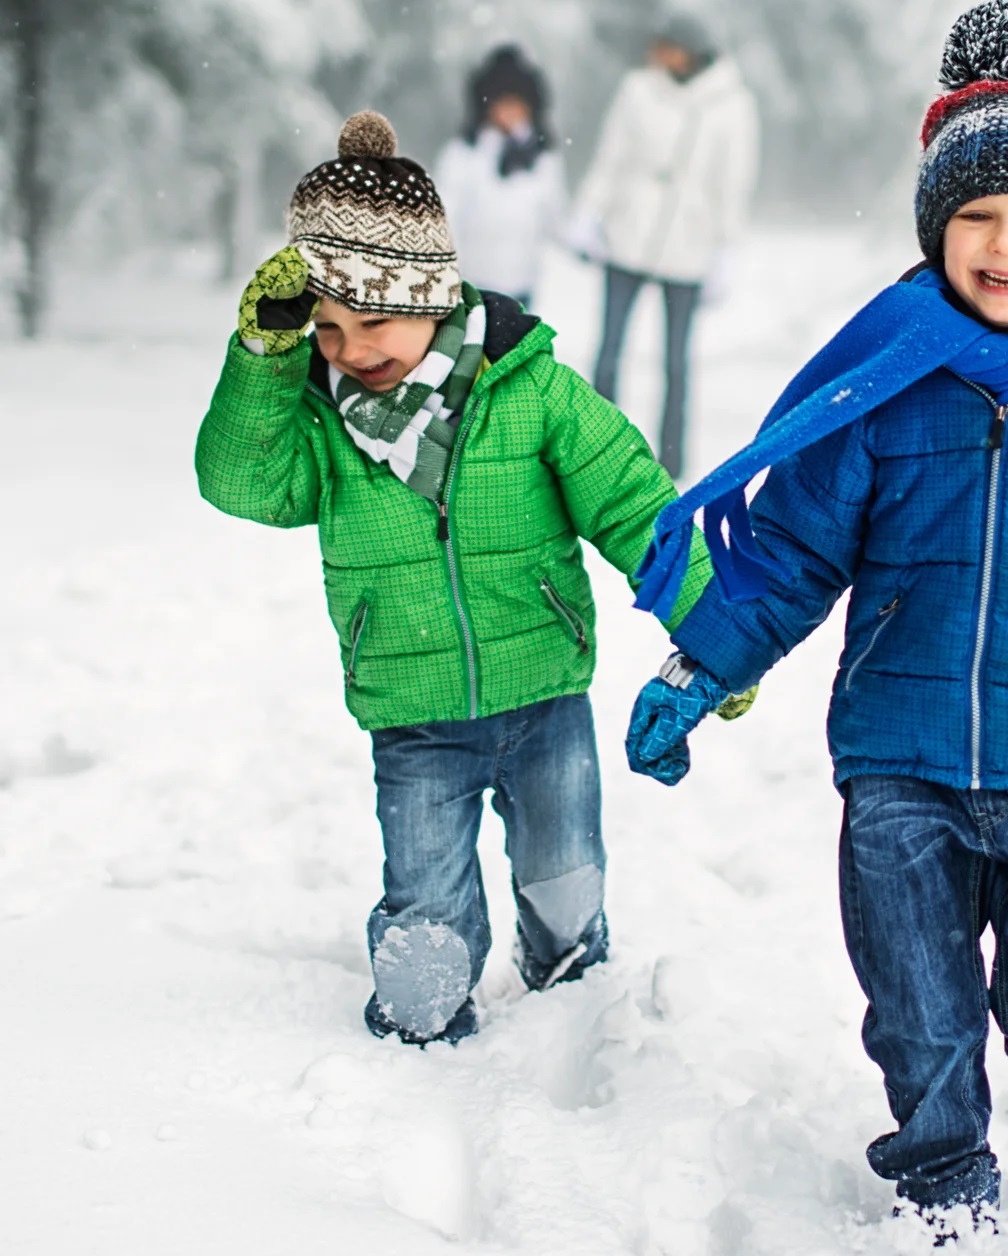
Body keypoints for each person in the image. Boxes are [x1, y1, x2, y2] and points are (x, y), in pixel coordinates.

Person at [621, 0, 1008, 1235]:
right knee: (915, 1002)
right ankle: (945, 1177)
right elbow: (792, 547)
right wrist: (703, 663)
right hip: (898, 765)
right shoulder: (886, 382)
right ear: (936, 228)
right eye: (977, 218)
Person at [195, 110, 718, 1047]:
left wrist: (723, 632)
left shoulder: (534, 391)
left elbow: (638, 508)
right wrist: (266, 362)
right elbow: (239, 483)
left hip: (545, 696)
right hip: (413, 710)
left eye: (376, 319)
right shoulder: (319, 425)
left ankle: (570, 1002)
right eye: (325, 328)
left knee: (565, 877)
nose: (352, 349)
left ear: (432, 295)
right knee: (425, 902)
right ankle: (422, 1018)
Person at [565, 13, 760, 480]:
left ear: (691, 51)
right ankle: (597, 450)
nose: (658, 55)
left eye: (667, 46)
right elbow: (611, 156)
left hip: (688, 247)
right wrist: (588, 213)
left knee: (676, 361)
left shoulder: (732, 104)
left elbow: (734, 182)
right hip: (628, 234)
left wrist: (726, 251)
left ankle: (672, 462)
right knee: (609, 350)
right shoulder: (637, 90)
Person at [434, 44, 565, 310]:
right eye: (502, 103)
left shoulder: (542, 158)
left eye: (517, 104)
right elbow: (445, 213)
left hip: (522, 282)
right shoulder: (464, 153)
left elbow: (556, 215)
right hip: (472, 282)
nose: (510, 111)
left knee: (515, 350)